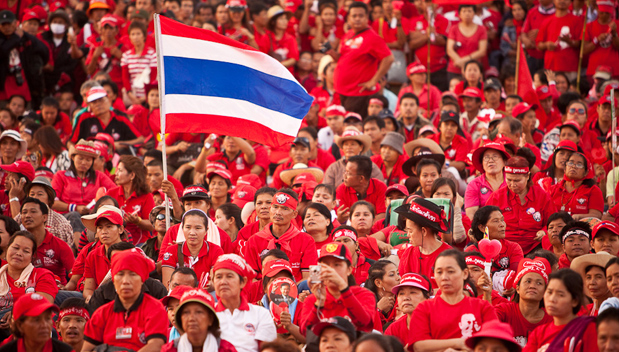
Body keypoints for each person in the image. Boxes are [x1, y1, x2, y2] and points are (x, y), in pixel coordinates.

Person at [409, 250, 498, 349]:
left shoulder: (483, 307)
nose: (444, 277)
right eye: (439, 272)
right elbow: (418, 346)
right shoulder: (424, 308)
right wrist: (457, 343)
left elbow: (494, 341)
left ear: (465, 273)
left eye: (450, 271)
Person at [82, 249, 168, 352]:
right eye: (120, 274)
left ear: (142, 280)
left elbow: (156, 346)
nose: (126, 281)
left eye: (133, 274)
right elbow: (86, 349)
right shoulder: (102, 313)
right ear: (113, 279)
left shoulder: (155, 309)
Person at [300, 241, 378, 333]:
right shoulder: (312, 299)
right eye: (325, 265)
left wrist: (343, 288)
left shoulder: (364, 294)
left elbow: (364, 324)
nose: (331, 270)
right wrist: (319, 303)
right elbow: (306, 333)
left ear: (349, 270)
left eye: (337, 265)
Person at [333, 2, 394, 116]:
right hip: (342, 91)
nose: (357, 19)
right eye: (354, 16)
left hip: (359, 94)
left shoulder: (373, 37)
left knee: (354, 126)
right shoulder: (348, 34)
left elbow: (389, 58)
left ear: (367, 17)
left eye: (361, 16)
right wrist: (330, 52)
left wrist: (374, 80)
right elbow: (342, 58)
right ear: (349, 18)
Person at [487, 156, 556, 255]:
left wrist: (544, 231)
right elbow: (485, 222)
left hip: (535, 246)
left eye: (517, 181)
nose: (512, 184)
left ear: (528, 176)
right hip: (503, 246)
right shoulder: (496, 197)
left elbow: (552, 222)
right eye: (509, 180)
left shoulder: (542, 196)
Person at [244, 189, 318, 281]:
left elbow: (313, 277)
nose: (278, 212)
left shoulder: (307, 240)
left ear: (294, 214)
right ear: (270, 209)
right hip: (262, 292)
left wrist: (289, 290)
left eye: (285, 208)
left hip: (298, 292)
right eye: (275, 207)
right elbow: (249, 278)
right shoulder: (254, 240)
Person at [212, 254, 277, 352]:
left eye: (229, 276)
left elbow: (268, 349)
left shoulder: (260, 314)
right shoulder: (207, 313)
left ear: (243, 282)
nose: (223, 282)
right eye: (218, 277)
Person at [524, 269, 598, 352]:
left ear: (575, 301)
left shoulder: (588, 329)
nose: (552, 299)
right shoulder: (539, 333)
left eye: (560, 295)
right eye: (549, 292)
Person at [0, 231, 58, 322]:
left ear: (32, 256)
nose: (19, 253)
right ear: (7, 249)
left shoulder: (43, 275)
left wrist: (15, 313)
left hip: (31, 323)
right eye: (15, 248)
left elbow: (43, 306)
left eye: (26, 251)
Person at [494, 257, 553, 347]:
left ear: (545, 291)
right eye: (528, 281)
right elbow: (488, 324)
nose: (532, 286)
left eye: (539, 283)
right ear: (517, 288)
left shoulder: (552, 320)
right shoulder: (503, 311)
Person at [162, 209, 225, 289]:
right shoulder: (172, 251)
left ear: (206, 230)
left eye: (198, 228)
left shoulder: (216, 251)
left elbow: (213, 282)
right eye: (188, 227)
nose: (192, 232)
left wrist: (210, 286)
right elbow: (168, 285)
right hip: (178, 295)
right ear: (182, 229)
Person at [396, 197, 451, 287]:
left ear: (424, 231)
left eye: (410, 231)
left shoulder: (450, 257)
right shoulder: (408, 254)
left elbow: (452, 289)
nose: (408, 235)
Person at [162, 288, 238, 352]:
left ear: (211, 319)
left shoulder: (226, 349)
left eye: (198, 312)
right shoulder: (170, 349)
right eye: (186, 312)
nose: (191, 318)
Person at [21, 197, 74, 285]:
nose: (27, 215)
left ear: (45, 217)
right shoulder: (18, 243)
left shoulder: (59, 245)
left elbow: (75, 273)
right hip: (25, 288)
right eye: (24, 212)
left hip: (57, 291)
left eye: (33, 211)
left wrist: (67, 287)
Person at [70, 86, 144, 149]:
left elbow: (140, 139)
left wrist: (120, 144)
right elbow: (71, 142)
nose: (98, 104)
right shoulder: (83, 117)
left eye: (101, 100)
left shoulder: (120, 117)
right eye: (94, 102)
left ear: (109, 100)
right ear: (89, 105)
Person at [107, 155, 155, 245]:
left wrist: (138, 221)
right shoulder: (111, 193)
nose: (116, 173)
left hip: (140, 243)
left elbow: (152, 225)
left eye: (120, 170)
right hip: (114, 242)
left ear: (132, 175)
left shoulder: (146, 196)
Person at [0, 293, 73, 352]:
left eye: (47, 319)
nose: (44, 325)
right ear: (19, 325)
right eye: (36, 320)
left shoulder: (65, 350)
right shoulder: (6, 350)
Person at [81, 206, 126, 300]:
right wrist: (91, 299)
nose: (104, 232)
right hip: (98, 300)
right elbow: (88, 288)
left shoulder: (131, 253)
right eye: (100, 228)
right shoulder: (92, 255)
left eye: (109, 226)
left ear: (120, 229)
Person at [468, 206, 523, 273]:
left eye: (502, 220)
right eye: (496, 221)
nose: (502, 224)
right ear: (482, 227)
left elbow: (516, 275)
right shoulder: (471, 251)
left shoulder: (513, 248)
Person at [550, 151, 604, 220]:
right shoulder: (553, 189)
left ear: (586, 172)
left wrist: (579, 217)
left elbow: (596, 215)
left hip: (580, 227)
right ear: (565, 168)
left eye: (579, 165)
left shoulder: (593, 190)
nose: (573, 166)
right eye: (570, 163)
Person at [465, 142, 510, 220]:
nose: (490, 161)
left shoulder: (511, 181)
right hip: (484, 227)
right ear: (482, 163)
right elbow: (471, 215)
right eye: (486, 157)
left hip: (510, 226)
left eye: (495, 157)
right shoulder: (474, 184)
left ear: (504, 162)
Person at [336, 155, 387, 223]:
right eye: (345, 171)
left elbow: (383, 215)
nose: (344, 176)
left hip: (375, 230)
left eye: (348, 173)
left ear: (361, 178)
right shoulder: (341, 189)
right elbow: (345, 217)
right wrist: (340, 219)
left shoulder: (380, 187)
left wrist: (364, 225)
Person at [384, 273, 431, 344]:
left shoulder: (440, 323)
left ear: (427, 297)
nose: (406, 298)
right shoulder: (393, 329)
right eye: (401, 293)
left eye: (413, 292)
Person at [120, 21, 157, 104]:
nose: (135, 37)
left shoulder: (152, 54)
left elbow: (153, 77)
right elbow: (125, 78)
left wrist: (146, 96)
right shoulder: (126, 56)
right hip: (132, 95)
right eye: (133, 34)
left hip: (148, 97)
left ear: (144, 36)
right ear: (129, 37)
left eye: (138, 34)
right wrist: (131, 95)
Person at [446, 5, 488, 77]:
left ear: (474, 13)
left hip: (473, 69)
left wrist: (464, 62)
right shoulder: (454, 28)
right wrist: (459, 62)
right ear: (459, 14)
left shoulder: (481, 29)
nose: (467, 14)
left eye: (469, 11)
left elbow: (482, 51)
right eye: (464, 11)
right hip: (455, 68)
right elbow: (449, 49)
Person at [364, 260, 401, 326]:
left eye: (398, 273)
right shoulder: (365, 302)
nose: (398, 278)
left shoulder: (402, 300)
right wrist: (378, 310)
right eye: (392, 275)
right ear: (378, 283)